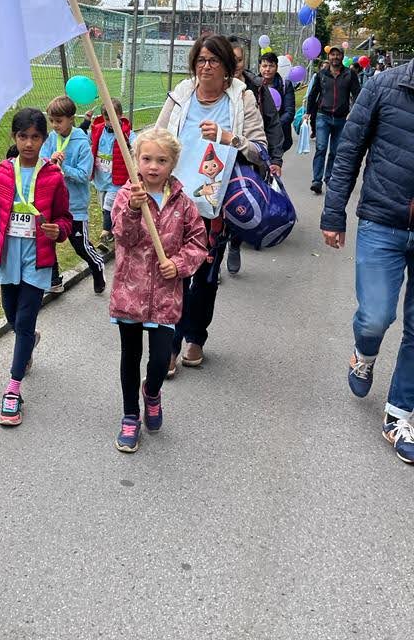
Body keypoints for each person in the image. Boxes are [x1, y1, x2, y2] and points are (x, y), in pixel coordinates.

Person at [320, 59, 414, 465]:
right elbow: (348, 151)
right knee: (376, 317)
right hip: (382, 221)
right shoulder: (385, 86)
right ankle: (364, 354)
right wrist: (333, 214)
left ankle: (399, 415)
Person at [157, 35, 267, 371]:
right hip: (175, 201)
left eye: (213, 60)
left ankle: (196, 337)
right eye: (201, 60)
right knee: (174, 274)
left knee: (204, 278)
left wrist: (229, 138)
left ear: (227, 67)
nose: (206, 67)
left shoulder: (241, 98)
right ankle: (170, 345)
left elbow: (260, 150)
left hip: (214, 207)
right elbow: (158, 136)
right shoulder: (181, 94)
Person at [109, 128, 207, 452]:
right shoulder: (127, 196)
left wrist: (178, 265)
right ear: (136, 160)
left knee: (162, 359)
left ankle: (151, 392)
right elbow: (123, 236)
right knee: (130, 356)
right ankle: (130, 415)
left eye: (161, 160)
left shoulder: (183, 203)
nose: (153, 166)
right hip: (130, 293)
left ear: (173, 163)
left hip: (165, 296)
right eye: (147, 158)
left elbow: (198, 243)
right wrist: (133, 209)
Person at [0, 108, 72, 428]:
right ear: (14, 138)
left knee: (26, 320)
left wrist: (59, 230)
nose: (29, 143)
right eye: (23, 136)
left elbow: (65, 218)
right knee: (12, 317)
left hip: (37, 259)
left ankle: (13, 389)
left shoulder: (53, 177)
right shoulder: (0, 174)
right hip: (8, 257)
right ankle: (27, 341)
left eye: (35, 137)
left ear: (44, 139)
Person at [225, 38, 282, 276]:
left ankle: (235, 244)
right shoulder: (214, 86)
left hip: (248, 157)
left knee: (242, 204)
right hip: (218, 158)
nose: (235, 65)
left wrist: (275, 159)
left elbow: (272, 123)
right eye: (231, 59)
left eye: (239, 60)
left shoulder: (256, 88)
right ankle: (213, 257)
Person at [40, 95, 106, 295]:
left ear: (71, 119)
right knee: (47, 242)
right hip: (52, 203)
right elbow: (41, 161)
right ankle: (54, 280)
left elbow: (85, 174)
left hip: (74, 206)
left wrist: (64, 168)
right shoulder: (51, 139)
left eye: (59, 121)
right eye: (52, 121)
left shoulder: (82, 143)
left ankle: (97, 266)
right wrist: (49, 161)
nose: (55, 125)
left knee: (80, 246)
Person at [306, 44, 360, 195]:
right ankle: (316, 181)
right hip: (323, 116)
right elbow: (313, 94)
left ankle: (329, 178)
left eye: (338, 54)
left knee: (335, 151)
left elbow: (357, 94)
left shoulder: (350, 74)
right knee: (321, 148)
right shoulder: (321, 74)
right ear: (328, 56)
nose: (335, 57)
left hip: (342, 119)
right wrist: (308, 112)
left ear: (342, 56)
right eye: (332, 54)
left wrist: (353, 111)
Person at [89, 98, 135, 244]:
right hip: (101, 178)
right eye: (107, 118)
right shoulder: (98, 130)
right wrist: (85, 122)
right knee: (105, 206)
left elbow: (136, 146)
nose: (110, 122)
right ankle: (116, 228)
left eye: (113, 118)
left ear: (120, 115)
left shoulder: (126, 133)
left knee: (108, 204)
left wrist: (132, 148)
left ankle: (106, 231)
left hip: (117, 179)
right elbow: (87, 138)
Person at [259, 50, 296, 154]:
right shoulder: (254, 84)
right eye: (264, 66)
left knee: (274, 161)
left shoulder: (285, 85)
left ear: (276, 67)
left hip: (279, 136)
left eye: (271, 66)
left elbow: (289, 112)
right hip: (258, 134)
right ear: (259, 67)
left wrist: (274, 126)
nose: (267, 69)